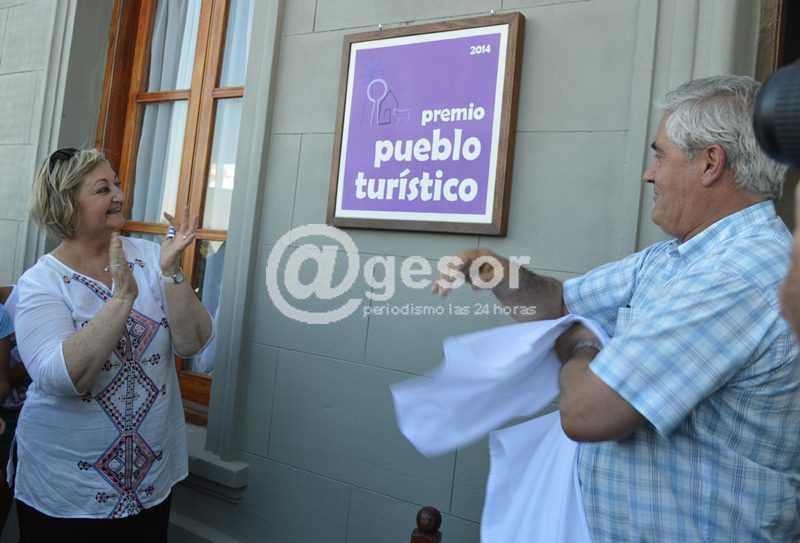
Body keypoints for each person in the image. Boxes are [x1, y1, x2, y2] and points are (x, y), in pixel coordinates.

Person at [434, 75, 799, 541]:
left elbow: (587, 413)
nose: (649, 174)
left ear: (710, 163)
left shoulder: (737, 274)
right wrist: (496, 271)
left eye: (660, 155)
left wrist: (583, 345)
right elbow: (558, 303)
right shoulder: (673, 257)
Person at [12, 147, 213, 541]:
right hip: (66, 491)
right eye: (103, 189)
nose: (120, 195)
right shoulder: (41, 282)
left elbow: (193, 342)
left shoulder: (153, 257)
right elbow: (59, 377)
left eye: (117, 184)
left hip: (148, 482)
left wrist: (171, 273)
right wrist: (121, 300)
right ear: (67, 205)